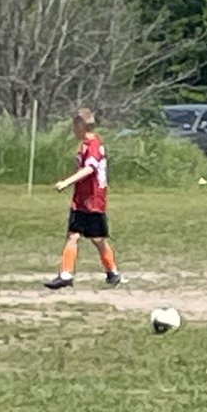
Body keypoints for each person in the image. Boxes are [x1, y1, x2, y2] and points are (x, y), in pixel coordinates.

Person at [45, 108, 121, 290]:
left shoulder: (94, 145)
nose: (73, 129)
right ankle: (65, 275)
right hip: (80, 198)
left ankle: (112, 272)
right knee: (73, 235)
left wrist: (66, 182)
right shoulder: (84, 145)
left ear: (81, 125)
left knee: (97, 238)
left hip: (94, 199)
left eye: (75, 125)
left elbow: (89, 169)